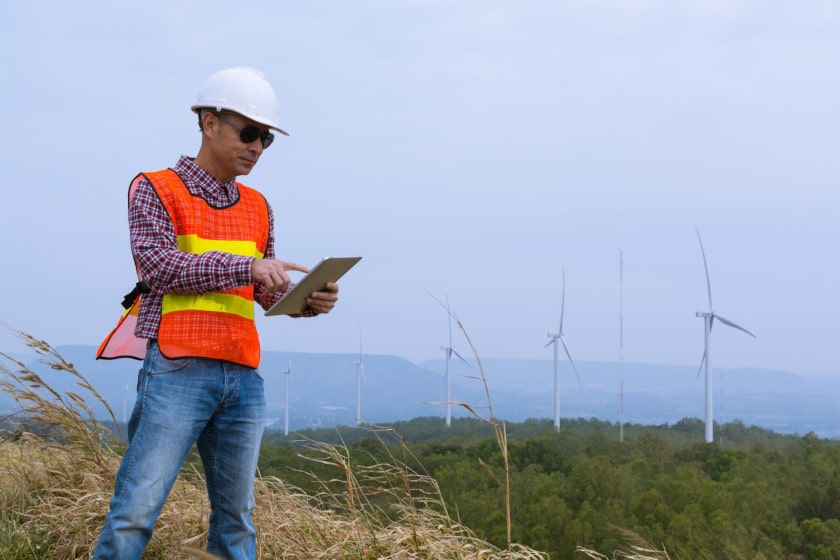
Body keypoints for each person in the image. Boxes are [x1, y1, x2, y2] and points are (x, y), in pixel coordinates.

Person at [93, 66, 339, 560]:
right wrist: (249, 266)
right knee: (134, 513)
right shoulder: (155, 188)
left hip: (243, 375)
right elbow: (160, 267)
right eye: (248, 133)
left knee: (237, 523)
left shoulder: (259, 206)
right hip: (177, 370)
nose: (257, 147)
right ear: (209, 123)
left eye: (266, 138)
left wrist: (305, 303)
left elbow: (261, 292)